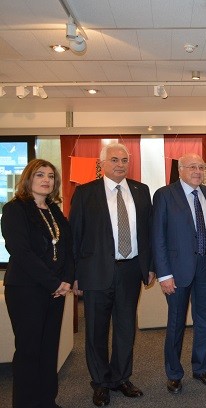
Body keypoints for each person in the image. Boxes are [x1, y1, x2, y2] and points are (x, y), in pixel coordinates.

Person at [69, 143, 154, 407]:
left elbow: (147, 233)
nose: (120, 164)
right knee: (95, 330)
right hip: (95, 272)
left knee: (126, 328)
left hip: (130, 270)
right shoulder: (85, 193)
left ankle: (120, 378)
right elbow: (75, 236)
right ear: (102, 163)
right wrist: (74, 275)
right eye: (114, 159)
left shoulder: (141, 191)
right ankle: (101, 382)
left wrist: (150, 265)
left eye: (124, 160)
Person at [1, 159, 74, 408]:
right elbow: (21, 252)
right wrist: (54, 282)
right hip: (26, 290)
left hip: (56, 290)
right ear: (28, 178)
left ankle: (46, 401)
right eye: (40, 175)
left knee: (48, 348)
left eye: (51, 176)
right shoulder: (15, 209)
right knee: (29, 350)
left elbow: (67, 249)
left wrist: (65, 280)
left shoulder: (54, 210)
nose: (46, 180)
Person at [152, 153, 206, 394]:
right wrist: (164, 274)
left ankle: (201, 368)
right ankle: (174, 373)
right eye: (192, 167)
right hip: (178, 269)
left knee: (204, 321)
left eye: (202, 167)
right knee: (176, 323)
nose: (198, 171)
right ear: (180, 169)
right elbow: (158, 236)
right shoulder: (164, 194)